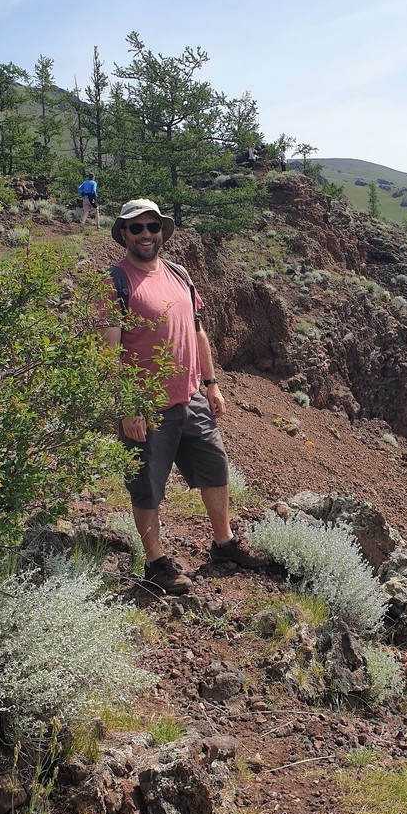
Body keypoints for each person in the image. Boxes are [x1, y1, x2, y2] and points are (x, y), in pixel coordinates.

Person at [102, 199, 263, 594]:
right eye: (136, 228)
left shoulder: (179, 274)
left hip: (191, 396)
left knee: (215, 467)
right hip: (146, 406)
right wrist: (127, 407)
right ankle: (156, 562)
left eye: (152, 227)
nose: (145, 235)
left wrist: (211, 383)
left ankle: (224, 544)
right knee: (147, 485)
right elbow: (108, 352)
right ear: (123, 233)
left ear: (162, 232)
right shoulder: (115, 281)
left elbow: (198, 332)